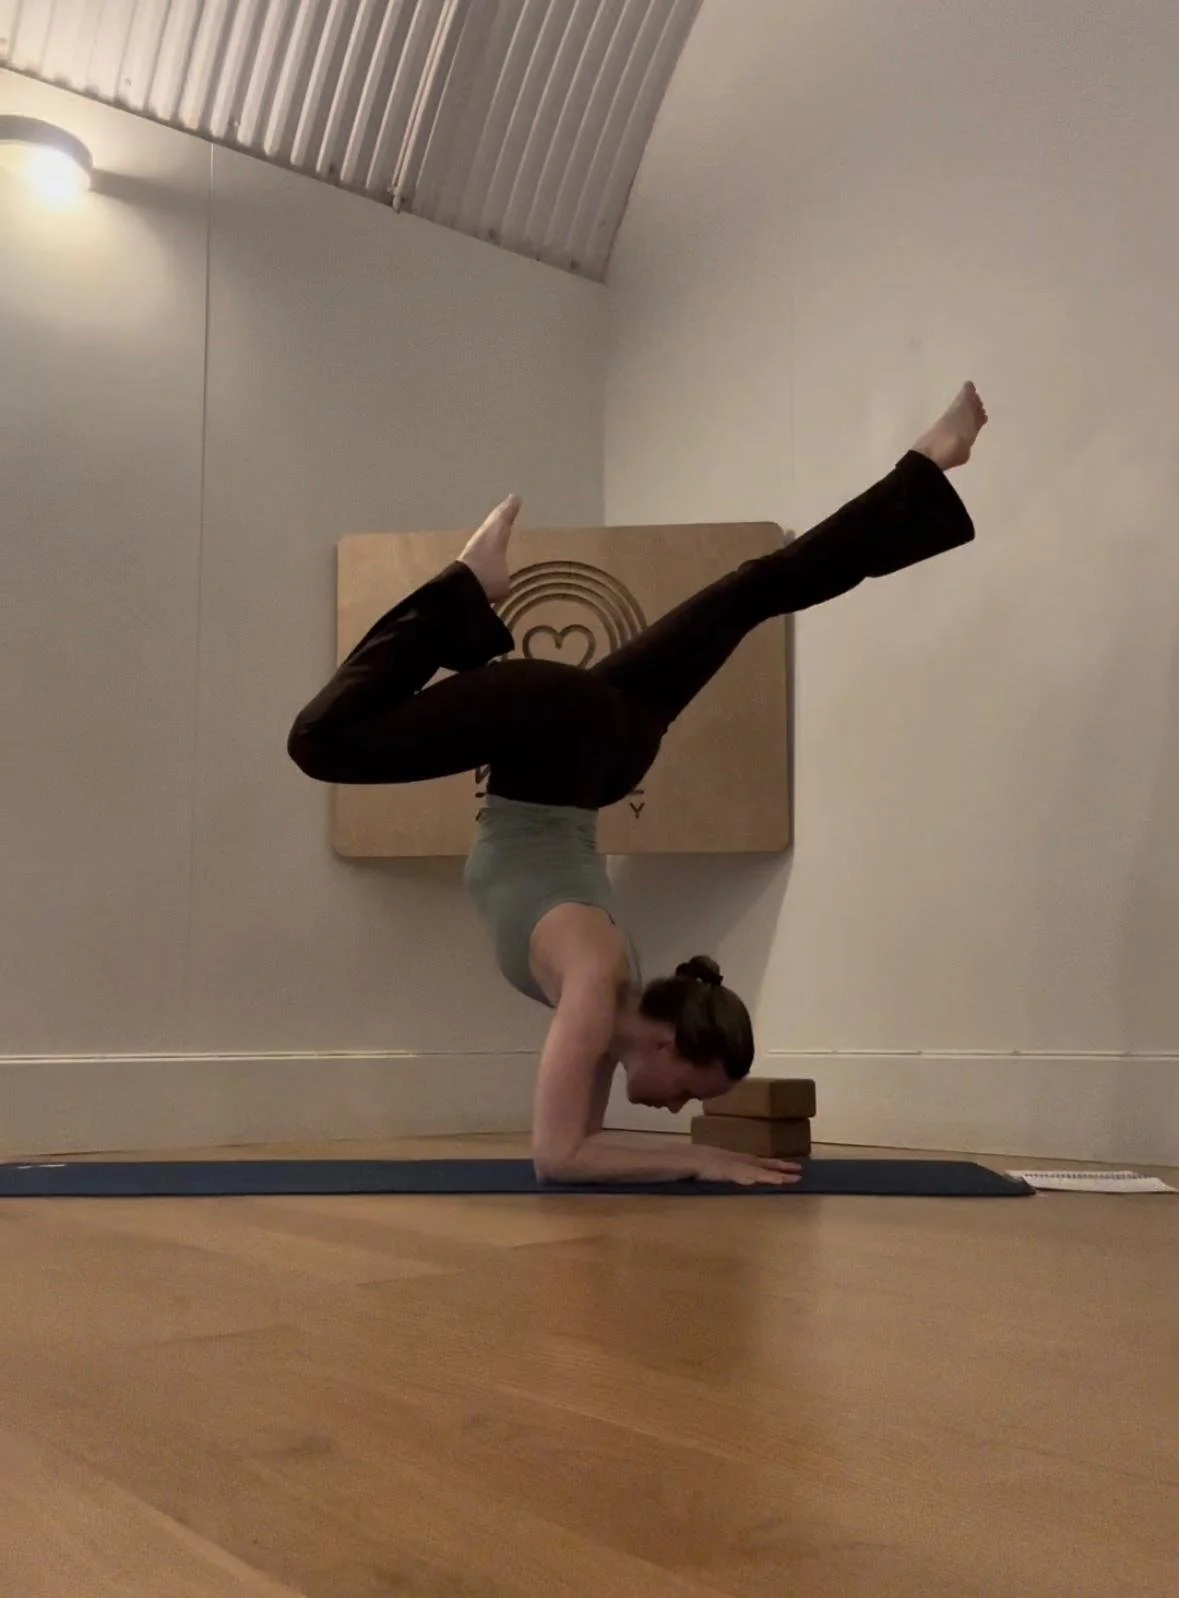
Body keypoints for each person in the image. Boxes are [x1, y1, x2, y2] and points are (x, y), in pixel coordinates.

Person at [288, 383, 988, 1186]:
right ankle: (465, 590)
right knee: (320, 742)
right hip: (552, 742)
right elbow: (560, 1158)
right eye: (691, 1092)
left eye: (691, 1102)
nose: (680, 1111)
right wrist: (703, 1166)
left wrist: (698, 1160)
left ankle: (928, 467)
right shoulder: (594, 985)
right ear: (661, 1043)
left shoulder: (604, 999)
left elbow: (571, 1151)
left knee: (751, 590)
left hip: (608, 748)